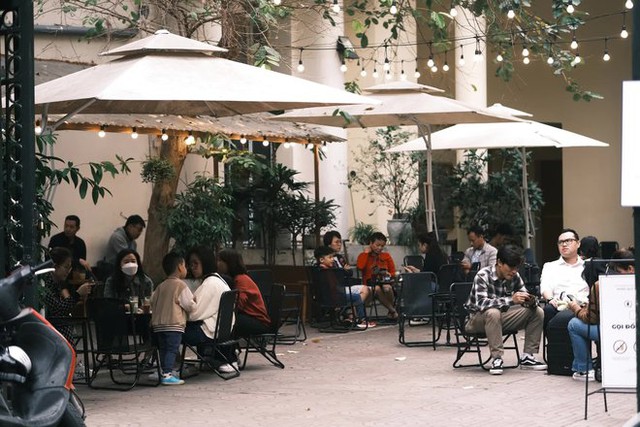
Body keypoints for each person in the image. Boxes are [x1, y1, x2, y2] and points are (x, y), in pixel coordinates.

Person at [464, 245, 546, 375]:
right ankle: (496, 358)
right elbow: (481, 304)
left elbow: (525, 296)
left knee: (537, 312)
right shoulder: (483, 275)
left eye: (517, 267)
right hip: (476, 320)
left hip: (500, 318)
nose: (514, 271)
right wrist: (511, 300)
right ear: (500, 262)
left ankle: (528, 357)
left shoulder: (515, 276)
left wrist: (530, 301)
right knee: (492, 312)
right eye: (511, 267)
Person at [567, 249, 634, 381]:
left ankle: (584, 369)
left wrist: (575, 307)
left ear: (630, 268)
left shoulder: (602, 285)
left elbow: (590, 319)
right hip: (630, 329)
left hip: (615, 331)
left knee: (574, 324)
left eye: (618, 271)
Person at [183, 245, 237, 373]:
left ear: (205, 262)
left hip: (208, 332)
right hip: (221, 331)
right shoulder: (218, 280)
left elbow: (194, 314)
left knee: (166, 333)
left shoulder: (210, 284)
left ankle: (169, 367)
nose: (192, 267)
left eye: (196, 263)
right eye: (190, 264)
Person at [150, 252, 197, 385]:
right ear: (180, 267)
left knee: (163, 349)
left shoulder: (161, 286)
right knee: (172, 349)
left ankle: (163, 371)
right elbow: (189, 305)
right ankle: (168, 374)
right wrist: (195, 302)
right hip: (174, 324)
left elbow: (152, 301)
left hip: (158, 325)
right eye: (185, 265)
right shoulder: (181, 285)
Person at [42, 247, 94, 343]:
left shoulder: (56, 282)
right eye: (66, 267)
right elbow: (59, 309)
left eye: (70, 268)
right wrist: (78, 293)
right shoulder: (45, 283)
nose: (68, 271)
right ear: (54, 266)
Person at [540, 228, 589, 330]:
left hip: (583, 307)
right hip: (559, 306)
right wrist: (550, 299)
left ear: (578, 244)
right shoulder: (550, 266)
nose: (564, 244)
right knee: (548, 310)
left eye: (568, 241)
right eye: (561, 242)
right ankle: (556, 345)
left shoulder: (587, 266)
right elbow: (545, 287)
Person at [217, 249, 271, 336]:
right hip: (248, 317)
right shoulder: (237, 278)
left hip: (258, 322)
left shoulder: (241, 279)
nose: (217, 264)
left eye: (220, 260)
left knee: (226, 320)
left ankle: (225, 348)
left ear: (229, 263)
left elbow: (239, 305)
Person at [314, 246, 371, 328]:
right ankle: (361, 319)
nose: (333, 259)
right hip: (335, 297)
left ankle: (351, 316)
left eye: (333, 257)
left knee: (356, 294)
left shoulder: (317, 270)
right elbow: (334, 286)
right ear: (322, 260)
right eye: (330, 257)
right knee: (357, 297)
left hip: (323, 298)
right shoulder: (328, 271)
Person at [356, 232, 397, 320]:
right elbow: (360, 267)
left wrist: (389, 274)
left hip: (384, 281)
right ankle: (393, 310)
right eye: (377, 245)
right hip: (370, 285)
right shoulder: (364, 255)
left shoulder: (386, 256)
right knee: (377, 288)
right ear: (371, 243)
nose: (379, 248)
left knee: (387, 288)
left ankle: (391, 311)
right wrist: (366, 254)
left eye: (382, 246)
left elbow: (393, 272)